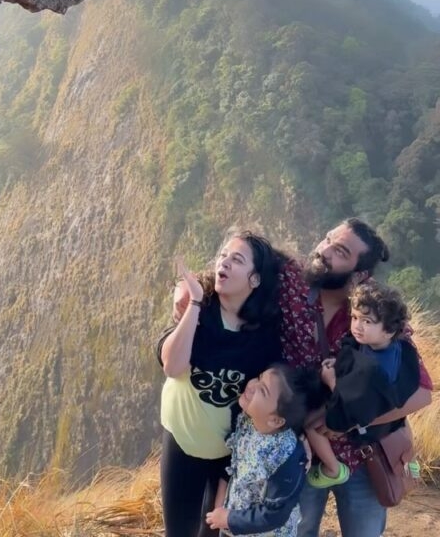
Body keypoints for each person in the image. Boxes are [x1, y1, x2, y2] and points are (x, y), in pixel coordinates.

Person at [174, 218, 433, 537]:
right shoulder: (291, 282)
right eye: (327, 239)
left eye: (339, 251)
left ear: (360, 274)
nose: (323, 251)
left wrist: (348, 419)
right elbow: (239, 264)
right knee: (297, 530)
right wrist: (188, 288)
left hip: (362, 455)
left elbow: (422, 393)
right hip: (298, 451)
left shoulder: (374, 313)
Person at [158, 230, 285, 537]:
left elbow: (269, 393)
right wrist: (195, 305)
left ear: (255, 279)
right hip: (182, 442)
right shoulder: (199, 311)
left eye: (236, 259)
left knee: (213, 530)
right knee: (178, 530)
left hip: (228, 452)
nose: (224, 263)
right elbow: (173, 367)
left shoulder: (263, 337)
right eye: (223, 256)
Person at [305, 279, 421, 487]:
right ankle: (409, 455)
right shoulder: (398, 348)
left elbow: (353, 408)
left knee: (311, 423)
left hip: (365, 430)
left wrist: (331, 381)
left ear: (388, 330)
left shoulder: (371, 371)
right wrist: (340, 363)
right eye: (355, 317)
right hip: (390, 424)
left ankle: (333, 469)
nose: (357, 326)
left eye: (367, 321)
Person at [205, 364, 326, 537]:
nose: (253, 384)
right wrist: (222, 501)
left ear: (276, 421)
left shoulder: (285, 456)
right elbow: (236, 463)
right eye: (260, 377)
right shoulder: (247, 421)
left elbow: (274, 515)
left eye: (263, 391)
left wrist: (229, 519)